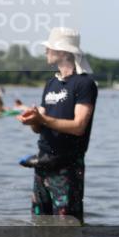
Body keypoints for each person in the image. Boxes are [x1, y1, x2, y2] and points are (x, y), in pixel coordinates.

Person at [18, 27, 98, 222]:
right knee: (40, 224)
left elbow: (79, 126)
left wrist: (42, 119)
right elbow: (39, 127)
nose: (46, 51)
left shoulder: (84, 84)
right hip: (43, 163)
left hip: (67, 167)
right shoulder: (50, 84)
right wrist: (33, 119)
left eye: (50, 48)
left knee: (67, 228)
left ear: (63, 52)